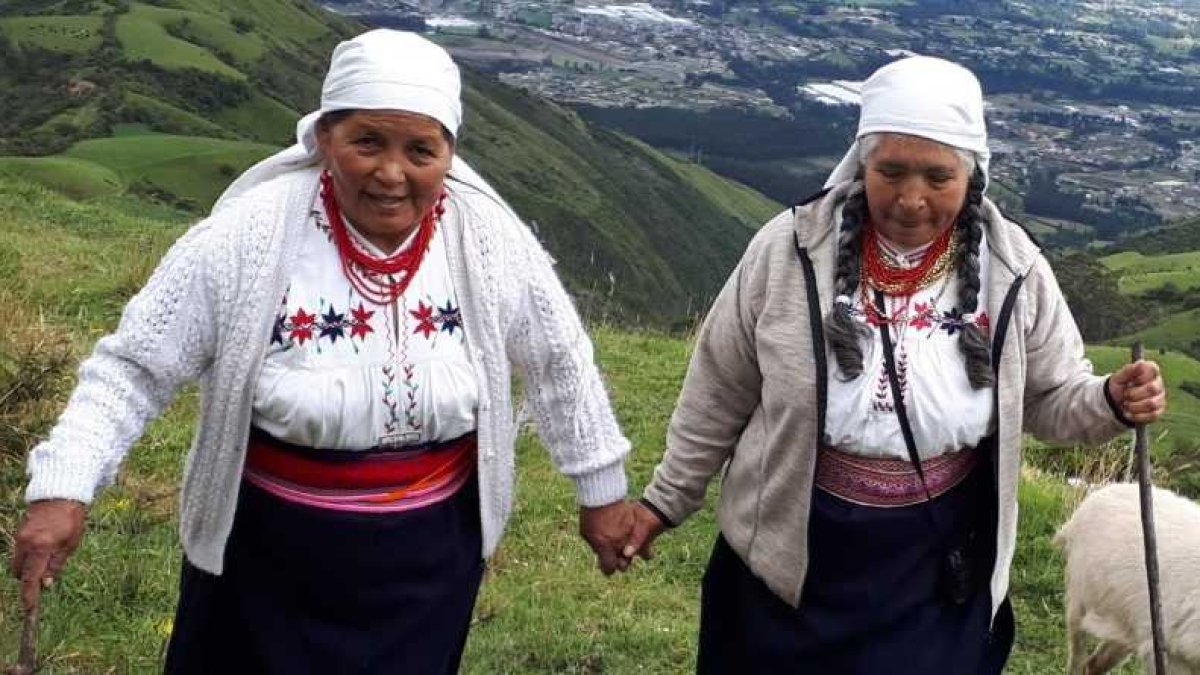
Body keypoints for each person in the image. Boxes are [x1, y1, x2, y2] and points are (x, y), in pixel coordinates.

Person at [9, 29, 635, 673]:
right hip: (265, 563)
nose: (392, 173)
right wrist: (65, 488)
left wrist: (601, 491)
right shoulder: (247, 236)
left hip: (427, 570)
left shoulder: (488, 241)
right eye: (367, 141)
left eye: (420, 150)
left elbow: (560, 360)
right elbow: (133, 369)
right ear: (324, 138)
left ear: (448, 153)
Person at [620, 55, 1168, 673]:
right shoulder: (790, 250)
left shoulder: (1013, 272)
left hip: (935, 565)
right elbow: (718, 389)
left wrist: (1109, 403)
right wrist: (665, 502)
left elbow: (1046, 400)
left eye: (938, 177)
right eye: (892, 172)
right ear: (862, 165)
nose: (911, 199)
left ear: (973, 176)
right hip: (788, 555)